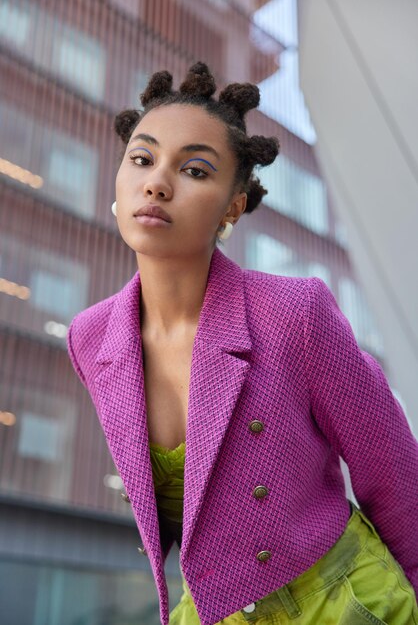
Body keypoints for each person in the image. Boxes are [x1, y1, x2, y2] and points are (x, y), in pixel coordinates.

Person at [66, 61, 418, 625]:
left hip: (346, 601)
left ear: (233, 207)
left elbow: (395, 475)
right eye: (142, 158)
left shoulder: (294, 312)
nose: (157, 182)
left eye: (196, 170)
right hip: (213, 610)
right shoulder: (91, 337)